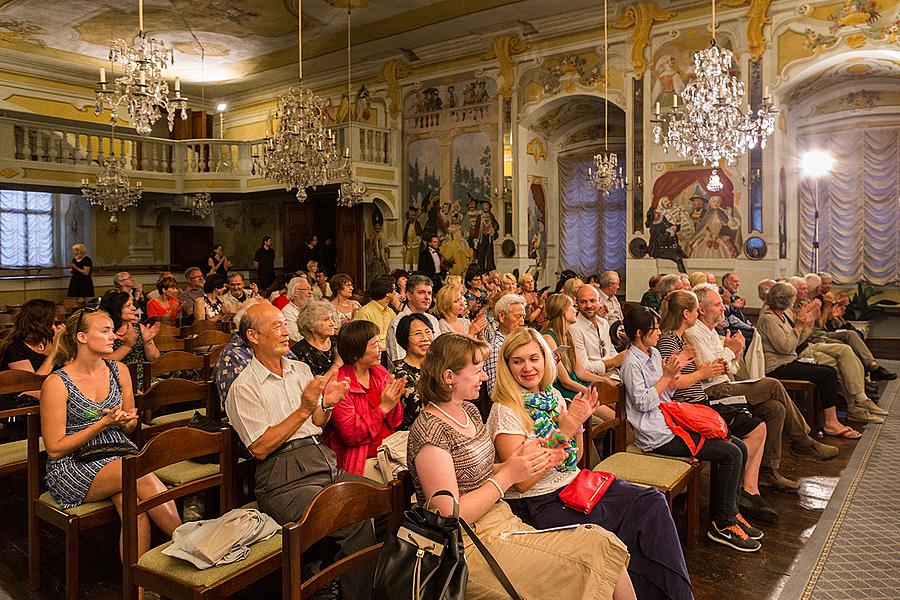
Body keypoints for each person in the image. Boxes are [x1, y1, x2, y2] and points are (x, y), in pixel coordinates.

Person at [408, 333, 635, 599]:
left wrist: (517, 463)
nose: (484, 377)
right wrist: (508, 474)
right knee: (597, 548)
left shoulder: (467, 412)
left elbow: (473, 472)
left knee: (601, 545)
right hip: (466, 545)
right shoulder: (430, 431)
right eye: (478, 371)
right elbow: (448, 515)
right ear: (449, 377)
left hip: (500, 520)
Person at [490, 328, 694, 600]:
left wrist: (576, 428)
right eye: (518, 361)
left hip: (574, 485)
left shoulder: (551, 398)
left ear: (545, 360)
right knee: (614, 531)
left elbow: (575, 455)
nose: (528, 367)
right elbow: (523, 482)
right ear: (507, 367)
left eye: (533, 358)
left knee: (651, 501)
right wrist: (566, 428)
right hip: (538, 503)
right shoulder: (506, 409)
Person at [224, 303, 375, 599]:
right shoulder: (244, 387)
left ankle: (328, 574)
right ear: (253, 336)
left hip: (320, 459)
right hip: (282, 478)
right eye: (277, 326)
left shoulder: (299, 370)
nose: (286, 331)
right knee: (356, 519)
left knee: (381, 499)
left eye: (285, 324)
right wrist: (305, 408)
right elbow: (260, 447)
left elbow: (318, 422)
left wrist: (327, 404)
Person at [41, 307, 181, 597]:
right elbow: (54, 449)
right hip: (73, 465)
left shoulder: (120, 371)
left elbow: (129, 427)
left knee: (134, 507)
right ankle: (188, 541)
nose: (114, 336)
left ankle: (138, 590)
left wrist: (129, 421)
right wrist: (103, 422)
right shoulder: (57, 383)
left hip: (116, 454)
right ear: (81, 337)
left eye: (112, 329)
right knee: (138, 474)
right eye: (105, 331)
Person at [620, 307, 762, 552]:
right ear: (639, 333)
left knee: (737, 444)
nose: (658, 333)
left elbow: (667, 393)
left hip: (670, 420)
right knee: (731, 453)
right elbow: (643, 403)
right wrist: (667, 376)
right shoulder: (631, 362)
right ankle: (722, 524)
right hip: (655, 434)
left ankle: (731, 511)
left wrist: (673, 375)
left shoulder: (652, 353)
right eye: (653, 329)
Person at [685, 284, 838, 493]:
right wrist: (731, 352)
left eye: (722, 304)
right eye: (717, 304)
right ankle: (803, 441)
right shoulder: (694, 332)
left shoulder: (712, 332)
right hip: (712, 392)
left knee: (775, 408)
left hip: (725, 385)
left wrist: (733, 354)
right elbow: (711, 370)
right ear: (701, 309)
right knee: (773, 384)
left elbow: (732, 368)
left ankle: (769, 472)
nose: (723, 308)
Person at [656, 290, 775, 522]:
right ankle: (726, 517)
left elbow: (726, 369)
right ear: (687, 313)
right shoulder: (670, 340)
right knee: (734, 448)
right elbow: (673, 384)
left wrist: (726, 356)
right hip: (689, 407)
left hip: (699, 402)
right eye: (696, 310)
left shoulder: (681, 339)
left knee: (755, 428)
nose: (699, 314)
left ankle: (739, 501)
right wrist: (702, 372)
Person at [756, 283, 862, 439]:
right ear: (788, 301)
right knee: (827, 374)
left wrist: (807, 322)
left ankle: (829, 419)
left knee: (827, 370)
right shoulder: (768, 318)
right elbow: (785, 348)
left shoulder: (782, 315)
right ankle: (831, 422)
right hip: (776, 367)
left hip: (789, 361)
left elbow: (797, 342)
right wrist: (799, 325)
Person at [324, 321, 405, 476]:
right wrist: (383, 408)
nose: (380, 349)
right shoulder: (341, 384)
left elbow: (396, 422)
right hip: (363, 459)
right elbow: (351, 436)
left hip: (390, 449)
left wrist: (394, 400)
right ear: (356, 353)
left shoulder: (379, 371)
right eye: (374, 345)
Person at [541, 294, 615, 419]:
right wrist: (590, 393)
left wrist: (603, 380)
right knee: (613, 416)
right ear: (562, 311)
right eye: (572, 307)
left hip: (577, 385)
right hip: (566, 392)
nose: (576, 310)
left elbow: (580, 372)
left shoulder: (568, 335)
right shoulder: (548, 338)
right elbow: (565, 381)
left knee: (616, 404)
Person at [100, 291, 161, 391]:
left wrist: (147, 342)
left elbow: (154, 358)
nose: (133, 308)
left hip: (145, 378)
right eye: (128, 305)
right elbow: (103, 362)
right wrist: (128, 345)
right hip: (117, 380)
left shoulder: (139, 328)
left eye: (132, 304)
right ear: (116, 310)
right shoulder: (105, 332)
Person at [0, 299, 64, 386]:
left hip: (56, 388)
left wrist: (62, 340)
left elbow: (71, 368)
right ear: (41, 321)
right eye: (52, 317)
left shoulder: (50, 339)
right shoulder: (15, 348)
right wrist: (53, 352)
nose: (55, 319)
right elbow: (31, 384)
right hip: (28, 396)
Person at [386, 274, 441, 363]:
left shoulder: (433, 320)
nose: (427, 297)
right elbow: (398, 360)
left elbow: (439, 353)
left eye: (429, 293)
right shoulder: (397, 323)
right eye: (421, 292)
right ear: (409, 295)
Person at [570, 285, 623, 377]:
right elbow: (583, 368)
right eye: (583, 302)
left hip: (613, 373)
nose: (588, 306)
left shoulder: (604, 323)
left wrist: (623, 358)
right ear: (577, 303)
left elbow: (610, 351)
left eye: (592, 301)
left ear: (599, 300)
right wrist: (612, 362)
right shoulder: (574, 328)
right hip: (593, 379)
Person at [391, 314, 433, 430]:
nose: (425, 338)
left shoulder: (437, 366)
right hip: (416, 435)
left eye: (428, 331)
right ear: (405, 339)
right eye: (418, 334)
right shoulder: (402, 374)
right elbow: (419, 412)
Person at [484, 293, 527, 395]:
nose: (522, 322)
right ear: (502, 316)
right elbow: (494, 391)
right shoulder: (497, 347)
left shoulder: (518, 341)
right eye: (517, 317)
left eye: (523, 317)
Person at [291, 299, 341, 378]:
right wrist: (336, 365)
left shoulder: (339, 341)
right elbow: (312, 388)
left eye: (331, 318)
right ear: (311, 326)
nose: (332, 323)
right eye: (326, 319)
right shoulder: (299, 353)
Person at [282, 276, 313, 343]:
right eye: (306, 289)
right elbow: (295, 337)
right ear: (295, 292)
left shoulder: (313, 309)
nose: (310, 292)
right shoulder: (287, 311)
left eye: (311, 289)